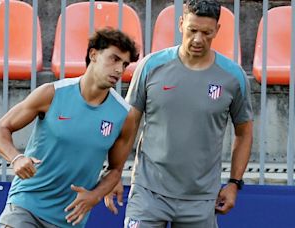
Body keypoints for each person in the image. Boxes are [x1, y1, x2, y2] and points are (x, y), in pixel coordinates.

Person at [104, 0, 253, 227]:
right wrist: (114, 173)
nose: (198, 39)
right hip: (148, 192)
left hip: (201, 199)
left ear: (217, 31)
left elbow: (244, 133)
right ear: (181, 24)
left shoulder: (233, 77)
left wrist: (234, 183)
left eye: (206, 32)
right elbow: (129, 124)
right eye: (193, 30)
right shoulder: (151, 66)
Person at [0, 27, 139, 228]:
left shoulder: (124, 115)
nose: (120, 70)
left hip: (69, 219)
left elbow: (115, 170)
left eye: (125, 64)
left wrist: (94, 196)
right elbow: (0, 128)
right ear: (93, 54)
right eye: (114, 59)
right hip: (26, 206)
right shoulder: (51, 93)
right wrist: (16, 158)